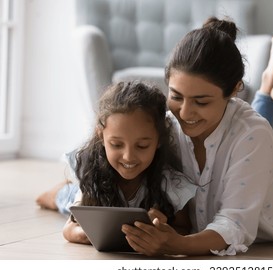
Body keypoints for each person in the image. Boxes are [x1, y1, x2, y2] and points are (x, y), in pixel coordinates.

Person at [38, 17, 273, 256]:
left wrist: (174, 245)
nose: (184, 113)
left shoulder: (253, 133)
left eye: (201, 101)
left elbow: (235, 226)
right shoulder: (165, 121)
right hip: (252, 168)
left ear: (234, 90)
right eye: (176, 96)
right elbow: (119, 166)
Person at [45, 81, 197, 245]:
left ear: (159, 140)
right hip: (84, 194)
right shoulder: (91, 173)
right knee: (60, 199)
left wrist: (161, 229)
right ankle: (60, 190)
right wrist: (90, 234)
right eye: (116, 145)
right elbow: (69, 229)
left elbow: (184, 229)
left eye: (142, 146)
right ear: (101, 136)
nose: (128, 157)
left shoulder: (171, 183)